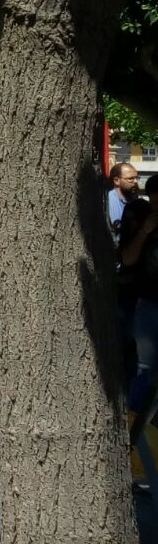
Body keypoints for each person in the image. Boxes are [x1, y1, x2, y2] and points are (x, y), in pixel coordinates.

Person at [120, 176, 158, 404]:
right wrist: (144, 231)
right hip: (148, 303)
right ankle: (137, 415)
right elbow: (127, 259)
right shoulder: (142, 220)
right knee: (144, 367)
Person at [109, 162, 141, 243]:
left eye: (137, 178)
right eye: (130, 179)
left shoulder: (134, 199)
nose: (135, 181)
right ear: (116, 181)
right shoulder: (110, 200)